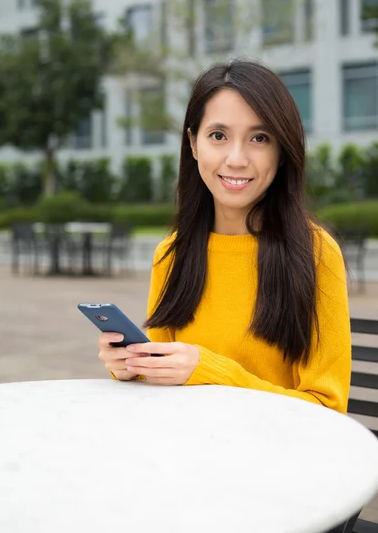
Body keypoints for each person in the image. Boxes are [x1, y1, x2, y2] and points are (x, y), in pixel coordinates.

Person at [98, 59, 351, 416]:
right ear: (193, 144)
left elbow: (328, 408)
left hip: (281, 458)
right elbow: (164, 378)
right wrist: (130, 366)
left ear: (282, 152)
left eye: (259, 138)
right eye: (218, 136)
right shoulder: (171, 254)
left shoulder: (316, 252)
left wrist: (210, 370)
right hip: (187, 451)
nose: (236, 159)